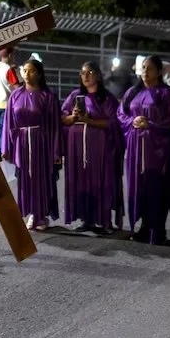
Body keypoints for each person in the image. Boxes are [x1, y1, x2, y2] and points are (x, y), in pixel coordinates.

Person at [118, 55, 170, 244]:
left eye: (150, 68)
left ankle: (158, 230)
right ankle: (144, 227)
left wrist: (150, 125)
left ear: (159, 72)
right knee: (139, 188)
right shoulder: (132, 92)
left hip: (157, 150)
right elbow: (121, 114)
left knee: (157, 188)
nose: (145, 71)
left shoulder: (166, 93)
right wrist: (132, 121)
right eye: (143, 68)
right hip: (136, 148)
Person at [60, 61, 124, 234]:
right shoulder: (75, 96)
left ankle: (104, 222)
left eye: (89, 72)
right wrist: (72, 117)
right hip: (77, 149)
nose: (86, 76)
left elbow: (114, 121)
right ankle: (86, 220)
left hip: (99, 149)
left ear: (97, 75)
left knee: (100, 182)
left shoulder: (107, 98)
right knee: (81, 183)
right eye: (82, 73)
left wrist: (91, 122)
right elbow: (61, 117)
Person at [2, 58, 62, 232]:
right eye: (25, 70)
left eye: (32, 71)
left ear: (40, 74)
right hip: (21, 143)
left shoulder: (48, 96)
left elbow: (54, 125)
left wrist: (56, 150)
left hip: (41, 143)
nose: (27, 74)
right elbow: (8, 122)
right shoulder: (15, 95)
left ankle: (40, 214)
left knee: (40, 179)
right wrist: (7, 147)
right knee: (25, 179)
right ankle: (29, 211)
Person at [0, 45, 19, 160]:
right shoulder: (9, 70)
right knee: (6, 130)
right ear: (10, 55)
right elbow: (16, 87)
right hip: (6, 105)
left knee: (0, 129)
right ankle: (2, 152)